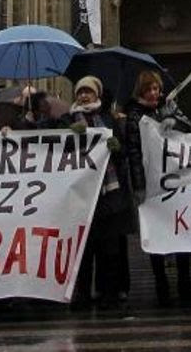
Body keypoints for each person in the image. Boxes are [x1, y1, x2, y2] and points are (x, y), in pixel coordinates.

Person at [125, 70, 191, 306]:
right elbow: (133, 152)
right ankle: (161, 283)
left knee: (181, 230)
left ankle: (185, 282)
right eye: (150, 89)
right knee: (156, 233)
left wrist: (173, 119)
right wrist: (139, 185)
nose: (155, 92)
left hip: (175, 181)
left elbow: (190, 129)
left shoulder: (168, 108)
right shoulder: (134, 116)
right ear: (142, 91)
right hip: (151, 182)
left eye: (157, 88)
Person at [62, 76, 132, 308]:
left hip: (108, 192)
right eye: (80, 91)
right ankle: (81, 294)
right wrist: (70, 136)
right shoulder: (67, 120)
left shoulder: (108, 119)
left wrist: (117, 147)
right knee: (83, 248)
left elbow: (122, 151)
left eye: (88, 92)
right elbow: (53, 148)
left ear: (97, 95)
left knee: (109, 248)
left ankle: (107, 293)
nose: (83, 96)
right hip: (80, 193)